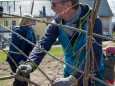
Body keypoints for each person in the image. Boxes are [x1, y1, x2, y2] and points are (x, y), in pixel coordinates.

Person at [16, 0, 105, 86]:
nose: (51, 7)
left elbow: (94, 54)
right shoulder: (57, 22)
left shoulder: (93, 20)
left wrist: (74, 79)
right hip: (69, 73)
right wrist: (30, 64)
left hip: (92, 75)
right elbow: (43, 43)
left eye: (53, 4)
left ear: (68, 4)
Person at [6, 13, 36, 86]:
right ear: (25, 21)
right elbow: (14, 48)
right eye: (30, 21)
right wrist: (20, 60)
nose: (32, 23)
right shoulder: (18, 31)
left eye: (32, 21)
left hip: (26, 58)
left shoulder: (31, 31)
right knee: (19, 80)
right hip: (15, 59)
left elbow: (33, 44)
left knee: (26, 79)